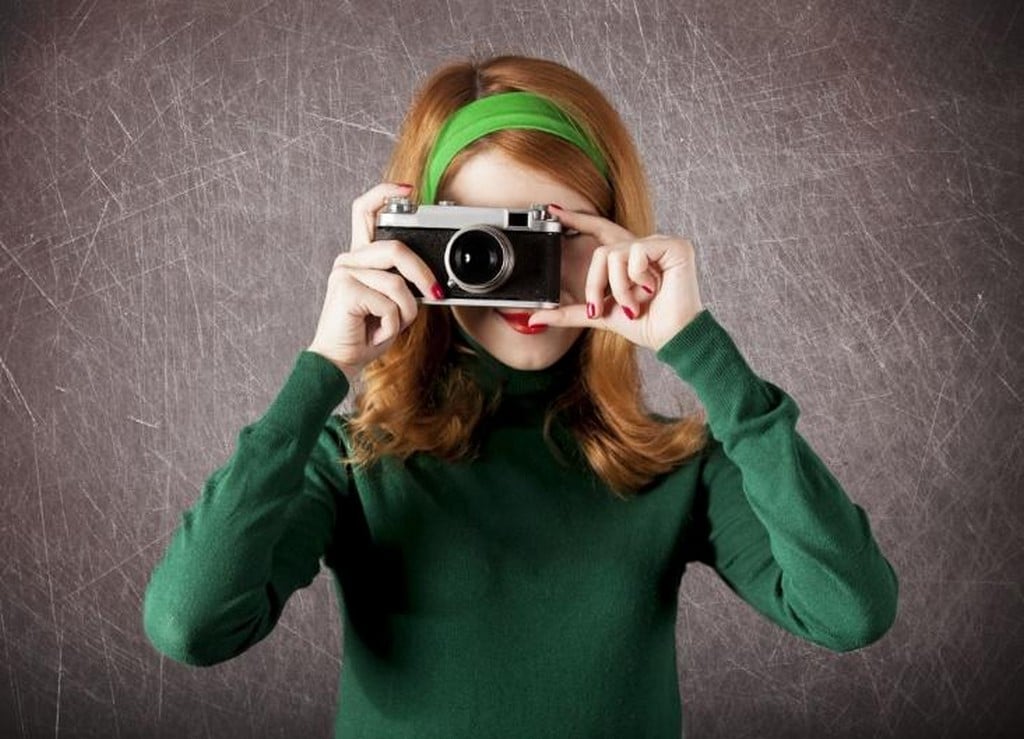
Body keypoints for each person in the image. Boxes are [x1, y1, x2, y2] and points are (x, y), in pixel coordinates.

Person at [142, 54, 898, 738]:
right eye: (477, 240)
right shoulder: (354, 462)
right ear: (411, 241)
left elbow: (850, 610)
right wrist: (326, 367)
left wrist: (697, 345)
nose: (514, 273)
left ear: (617, 236)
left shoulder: (675, 466)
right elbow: (190, 624)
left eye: (552, 236)